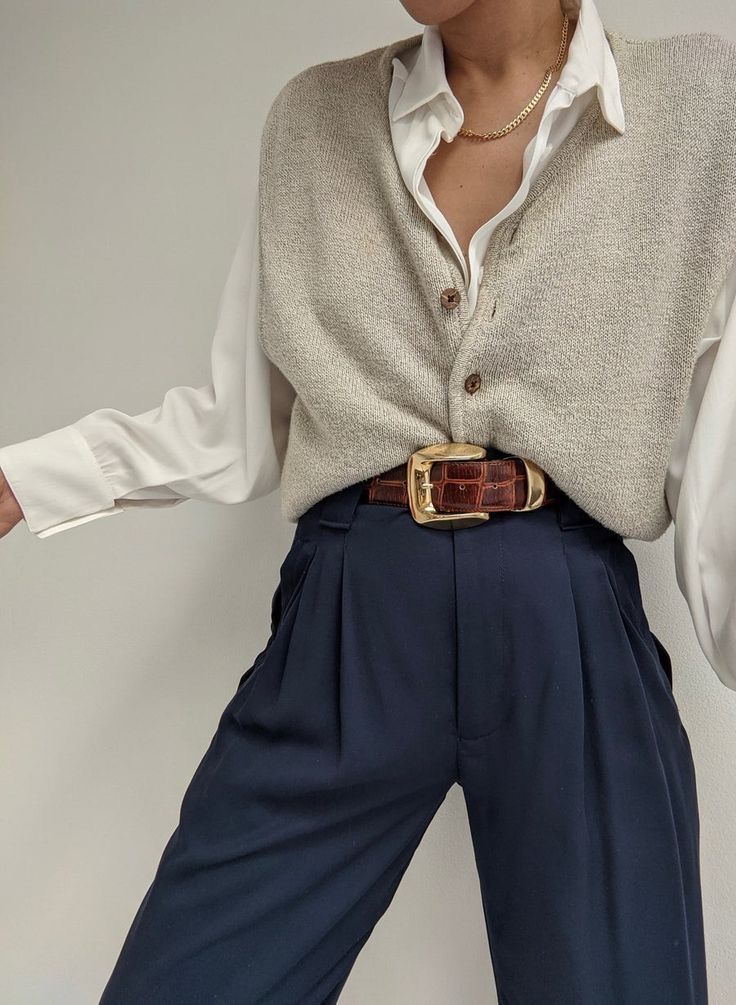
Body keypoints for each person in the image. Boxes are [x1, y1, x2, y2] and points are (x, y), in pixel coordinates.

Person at [2, 0, 735, 1000]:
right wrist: (23, 478)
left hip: (568, 623)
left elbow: (718, 460)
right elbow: (237, 423)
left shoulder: (696, 108)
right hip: (349, 616)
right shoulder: (315, 120)